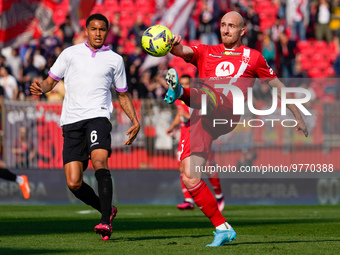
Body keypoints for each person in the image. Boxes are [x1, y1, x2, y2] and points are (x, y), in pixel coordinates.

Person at [163, 11, 308, 247]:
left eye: (231, 26)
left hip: (227, 109)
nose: (226, 29)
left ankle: (181, 92)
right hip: (201, 116)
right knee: (190, 176)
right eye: (222, 25)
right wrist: (171, 44)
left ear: (242, 31)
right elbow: (182, 51)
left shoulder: (253, 57)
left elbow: (277, 86)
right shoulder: (206, 51)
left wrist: (298, 114)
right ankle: (223, 228)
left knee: (213, 93)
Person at [30, 14, 140, 241]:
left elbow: (123, 94)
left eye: (102, 29)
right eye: (94, 29)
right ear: (87, 30)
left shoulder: (115, 60)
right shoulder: (70, 53)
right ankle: (107, 210)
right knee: (74, 183)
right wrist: (40, 86)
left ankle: (105, 221)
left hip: (98, 117)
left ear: (107, 32)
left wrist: (135, 120)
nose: (98, 33)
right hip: (71, 121)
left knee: (100, 161)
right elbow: (51, 81)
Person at [166, 74, 225, 211]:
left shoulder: (196, 99)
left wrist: (185, 116)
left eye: (187, 83)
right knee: (182, 168)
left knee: (207, 167)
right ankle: (188, 200)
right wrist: (173, 126)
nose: (185, 86)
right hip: (184, 138)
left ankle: (219, 195)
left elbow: (198, 117)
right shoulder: (178, 99)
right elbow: (179, 114)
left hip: (198, 138)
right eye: (183, 84)